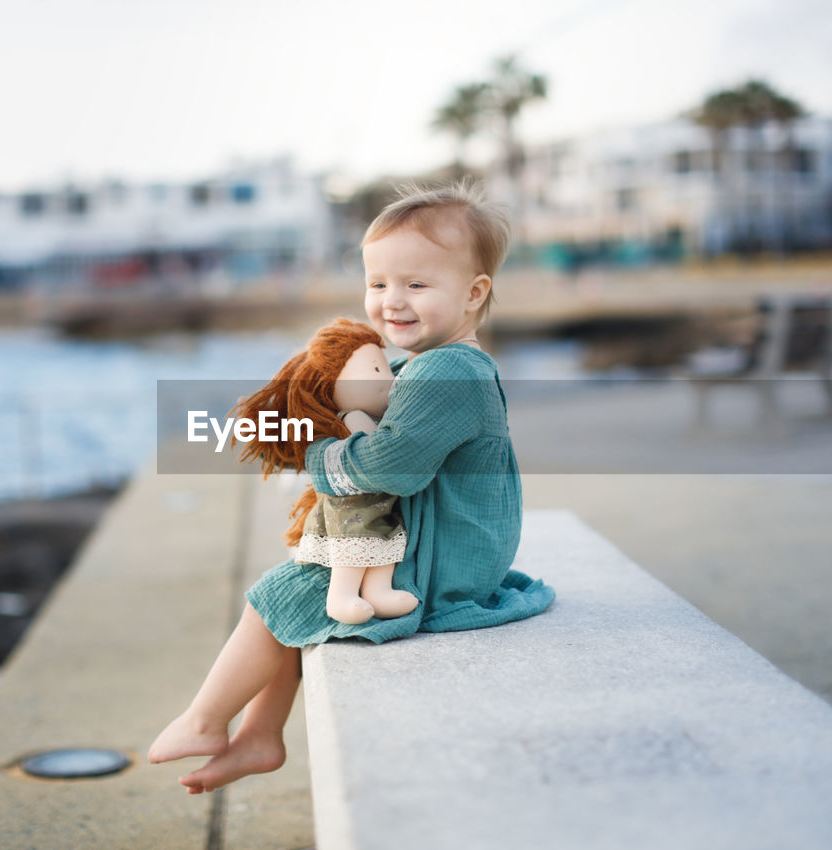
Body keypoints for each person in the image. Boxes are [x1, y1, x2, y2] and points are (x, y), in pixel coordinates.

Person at [147, 178, 555, 794]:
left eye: (417, 284)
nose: (392, 301)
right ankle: (259, 735)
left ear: (474, 294)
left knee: (276, 595)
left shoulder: (449, 370)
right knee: (308, 583)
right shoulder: (430, 361)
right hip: (452, 542)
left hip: (444, 565)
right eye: (377, 283)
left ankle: (206, 720)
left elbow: (393, 467)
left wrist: (318, 454)